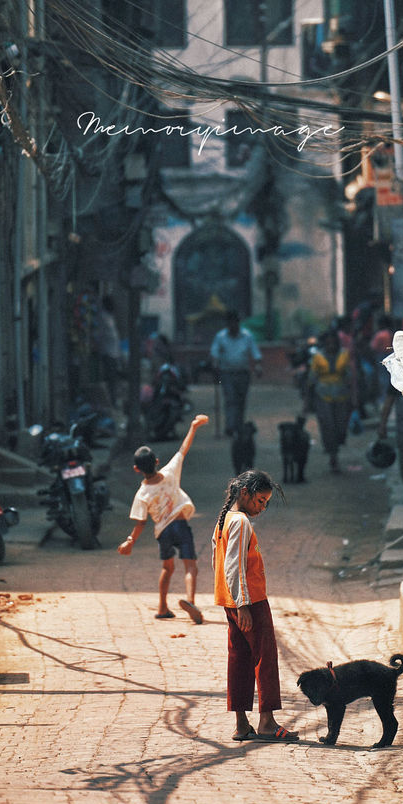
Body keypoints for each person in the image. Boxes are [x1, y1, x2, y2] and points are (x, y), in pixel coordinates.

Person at [212, 469, 299, 742]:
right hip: (249, 602)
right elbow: (234, 565)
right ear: (245, 494)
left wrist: (232, 601)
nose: (261, 508)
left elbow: (218, 562)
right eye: (260, 501)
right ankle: (267, 722)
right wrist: (243, 605)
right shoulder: (240, 522)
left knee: (239, 659)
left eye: (265, 503)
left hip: (230, 600)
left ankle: (241, 723)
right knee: (265, 658)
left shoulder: (224, 519)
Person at [117, 414, 209, 623]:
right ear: (157, 462)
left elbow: (140, 522)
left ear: (136, 469)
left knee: (167, 568)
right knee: (190, 566)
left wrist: (130, 541)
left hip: (162, 533)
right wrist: (194, 427)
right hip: (180, 526)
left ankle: (162, 607)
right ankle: (190, 600)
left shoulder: (141, 494)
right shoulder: (170, 472)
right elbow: (183, 449)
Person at [307, 329, 352, 473]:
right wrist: (307, 400)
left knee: (340, 426)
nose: (331, 345)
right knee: (328, 426)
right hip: (323, 396)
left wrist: (354, 396)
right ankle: (333, 455)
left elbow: (350, 377)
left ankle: (336, 446)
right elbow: (311, 379)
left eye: (333, 342)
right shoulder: (317, 357)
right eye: (328, 343)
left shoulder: (344, 354)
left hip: (342, 396)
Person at [210, 310, 262, 435]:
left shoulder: (247, 336)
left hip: (243, 373)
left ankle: (239, 425)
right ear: (227, 324)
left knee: (241, 400)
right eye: (230, 323)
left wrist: (258, 366)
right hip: (226, 373)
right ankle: (230, 426)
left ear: (238, 323)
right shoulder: (221, 337)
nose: (233, 325)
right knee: (230, 399)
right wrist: (215, 365)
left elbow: (255, 353)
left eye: (235, 322)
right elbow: (214, 354)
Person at [99, 295, 121, 407]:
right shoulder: (103, 317)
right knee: (110, 380)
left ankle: (113, 401)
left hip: (113, 353)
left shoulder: (110, 317)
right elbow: (102, 335)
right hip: (108, 353)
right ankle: (111, 402)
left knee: (113, 380)